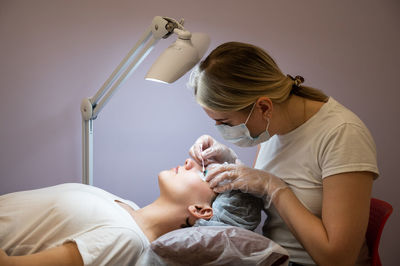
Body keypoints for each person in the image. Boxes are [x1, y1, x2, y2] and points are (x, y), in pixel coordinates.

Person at [188, 42, 379, 266]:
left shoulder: (342, 134)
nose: (221, 129)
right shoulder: (272, 129)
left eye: (225, 122)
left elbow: (338, 259)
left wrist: (273, 186)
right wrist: (231, 163)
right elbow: (275, 183)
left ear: (264, 108)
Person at [0, 158, 217, 266]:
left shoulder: (125, 239)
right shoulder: (127, 206)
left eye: (204, 171)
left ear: (201, 210)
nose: (190, 161)